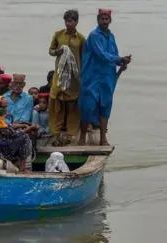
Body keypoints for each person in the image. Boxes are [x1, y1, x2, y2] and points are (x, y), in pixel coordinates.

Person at [78, 8, 132, 146]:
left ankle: (103, 138)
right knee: (88, 106)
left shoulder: (111, 36)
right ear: (98, 20)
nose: (104, 21)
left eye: (106, 19)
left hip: (107, 76)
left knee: (106, 106)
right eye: (102, 19)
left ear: (110, 20)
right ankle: (82, 137)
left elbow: (114, 55)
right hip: (92, 76)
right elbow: (101, 55)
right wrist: (119, 59)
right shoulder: (94, 35)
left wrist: (122, 62)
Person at [48, 9, 86, 146]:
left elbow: (84, 57)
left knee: (72, 104)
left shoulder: (81, 39)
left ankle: (71, 133)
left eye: (71, 21)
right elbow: (50, 51)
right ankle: (56, 132)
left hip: (74, 76)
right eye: (66, 20)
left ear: (76, 22)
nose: (68, 23)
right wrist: (57, 52)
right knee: (56, 100)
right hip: (60, 73)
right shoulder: (58, 35)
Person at [0, 96, 34, 172]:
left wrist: (22, 125)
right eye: (3, 107)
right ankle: (23, 168)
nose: (5, 109)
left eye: (6, 106)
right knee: (24, 137)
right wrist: (28, 129)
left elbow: (6, 126)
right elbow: (13, 134)